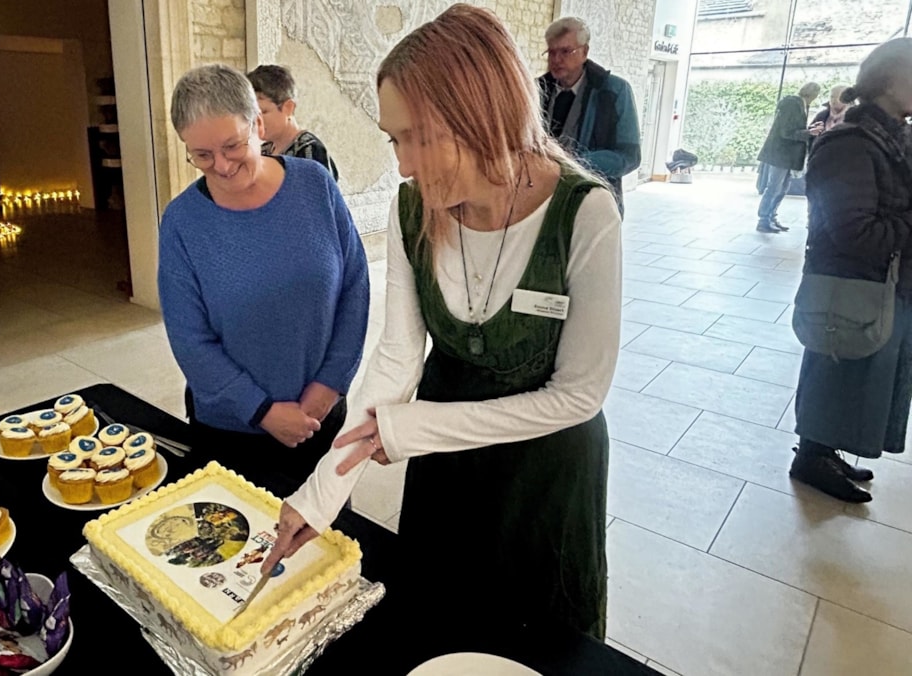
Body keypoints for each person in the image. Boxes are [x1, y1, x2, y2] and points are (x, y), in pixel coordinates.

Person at [263, 5, 623, 644]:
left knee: (539, 641)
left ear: (480, 116)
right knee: (439, 627)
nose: (403, 166)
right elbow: (399, 357)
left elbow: (579, 395)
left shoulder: (586, 213)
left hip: (546, 477)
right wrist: (318, 496)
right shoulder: (414, 210)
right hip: (447, 470)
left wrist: (419, 425)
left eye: (416, 137)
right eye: (392, 140)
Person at [157, 64, 369, 493]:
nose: (220, 166)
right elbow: (189, 339)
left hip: (320, 418)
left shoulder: (314, 185)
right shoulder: (182, 221)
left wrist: (327, 388)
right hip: (231, 430)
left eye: (232, 145)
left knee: (325, 547)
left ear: (257, 123)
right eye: (201, 155)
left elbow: (355, 288)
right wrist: (262, 410)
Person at [789, 38, 912, 503]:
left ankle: (824, 449)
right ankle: (811, 457)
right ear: (890, 80)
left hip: (882, 282)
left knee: (859, 375)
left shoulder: (894, 136)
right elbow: (852, 232)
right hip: (849, 284)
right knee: (836, 365)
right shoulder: (849, 143)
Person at [537, 16, 640, 215]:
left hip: (593, 201)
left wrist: (576, 161)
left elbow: (630, 156)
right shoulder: (536, 90)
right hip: (542, 200)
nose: (557, 60)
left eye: (566, 51)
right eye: (552, 52)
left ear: (585, 52)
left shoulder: (615, 91)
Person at [246, 64, 340, 181]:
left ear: (288, 108)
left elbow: (322, 197)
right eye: (252, 113)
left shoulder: (310, 152)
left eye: (263, 112)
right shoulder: (264, 150)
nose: (256, 121)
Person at [756, 82, 824, 233]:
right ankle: (764, 219)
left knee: (781, 187)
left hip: (785, 154)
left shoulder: (797, 104)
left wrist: (808, 130)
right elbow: (786, 132)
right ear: (814, 95)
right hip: (781, 153)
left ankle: (770, 217)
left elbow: (790, 129)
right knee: (774, 187)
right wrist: (809, 133)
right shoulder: (793, 105)